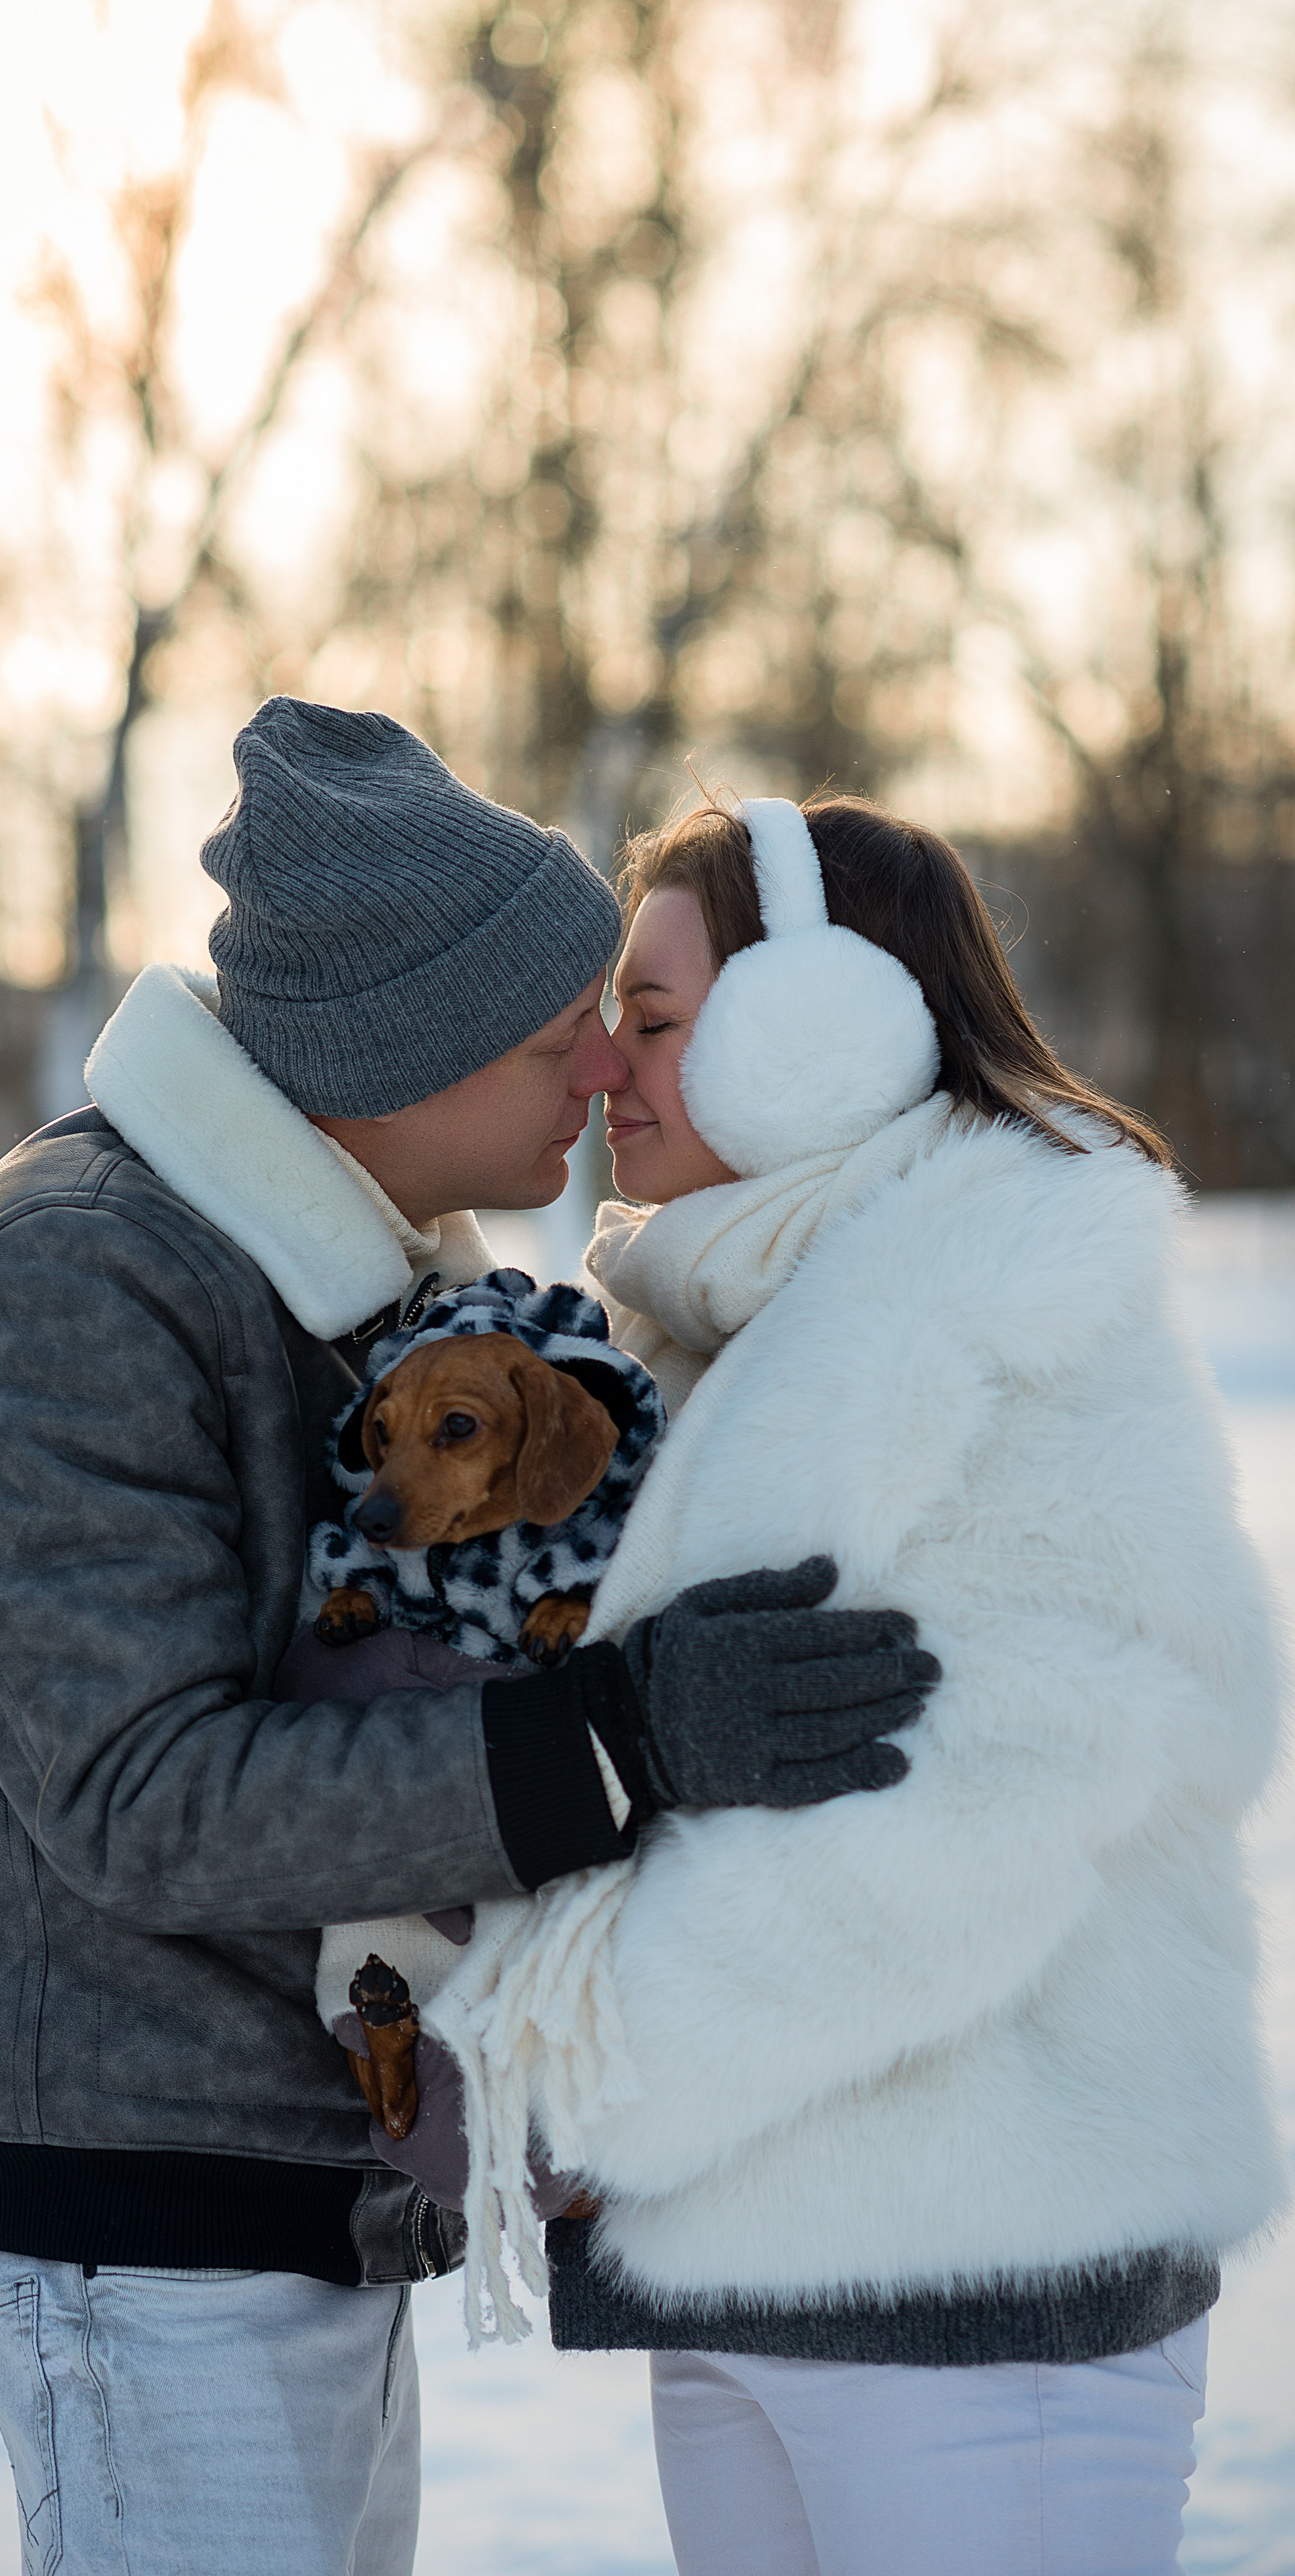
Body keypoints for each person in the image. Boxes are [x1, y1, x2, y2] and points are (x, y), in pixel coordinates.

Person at [0, 704, 938, 2576]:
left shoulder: (344, 1280)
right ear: (388, 1055)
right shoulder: (69, 1284)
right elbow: (147, 1798)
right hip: (143, 2240)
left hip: (285, 2202)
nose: (605, 1062)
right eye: (549, 1031)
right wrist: (620, 1742)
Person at [432, 790, 1287, 2576]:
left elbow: (999, 1795)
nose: (605, 1066)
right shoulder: (720, 1333)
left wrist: (598, 2072)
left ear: (816, 1033)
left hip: (989, 2291)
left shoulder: (1000, 1303)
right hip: (748, 2269)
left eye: (655, 1020)